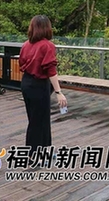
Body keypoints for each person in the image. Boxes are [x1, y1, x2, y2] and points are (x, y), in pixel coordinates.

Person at [19, 15, 67, 160]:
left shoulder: (26, 44)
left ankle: (46, 149)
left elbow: (21, 64)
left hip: (27, 83)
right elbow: (50, 70)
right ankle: (34, 155)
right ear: (47, 28)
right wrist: (59, 92)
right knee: (37, 121)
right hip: (39, 85)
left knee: (39, 118)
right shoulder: (47, 45)